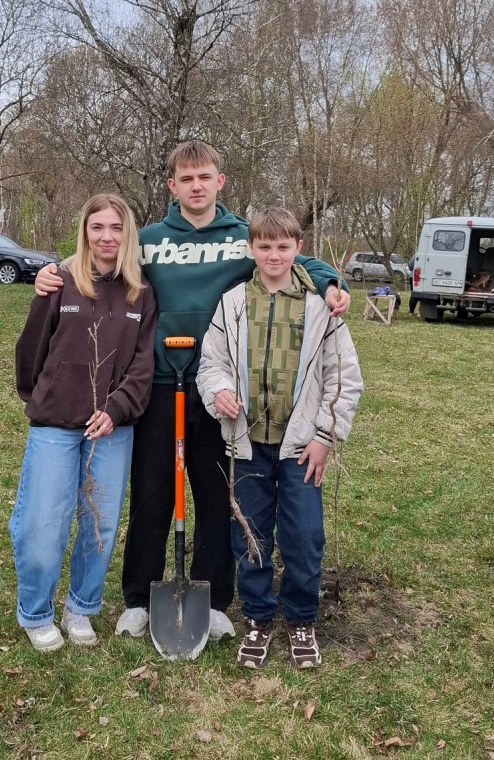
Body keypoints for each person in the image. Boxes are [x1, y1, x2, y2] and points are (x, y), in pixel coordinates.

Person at [34, 142, 350, 643]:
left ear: (219, 181)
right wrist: (52, 269)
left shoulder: (241, 238)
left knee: (215, 493)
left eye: (205, 177)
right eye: (187, 178)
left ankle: (215, 597)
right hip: (160, 383)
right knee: (153, 493)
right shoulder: (153, 240)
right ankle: (139, 596)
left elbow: (289, 255)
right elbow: (101, 251)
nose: (196, 186)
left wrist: (331, 283)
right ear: (172, 186)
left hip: (222, 389)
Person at [196, 207, 363, 668]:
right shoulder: (232, 304)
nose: (273, 255)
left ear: (298, 249)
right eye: (264, 246)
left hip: (301, 446)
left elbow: (343, 378)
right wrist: (220, 392)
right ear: (251, 249)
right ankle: (257, 616)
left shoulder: (320, 307)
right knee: (249, 535)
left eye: (283, 247)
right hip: (247, 443)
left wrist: (325, 437)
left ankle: (302, 618)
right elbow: (210, 364)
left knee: (304, 535)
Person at [10, 194, 156, 651]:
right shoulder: (60, 282)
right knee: (42, 522)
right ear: (86, 232)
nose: (107, 237)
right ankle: (36, 611)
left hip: (111, 429)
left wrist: (115, 410)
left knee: (100, 524)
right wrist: (42, 396)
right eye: (98, 228)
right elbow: (32, 346)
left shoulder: (142, 293)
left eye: (116, 228)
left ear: (127, 233)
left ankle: (81, 607)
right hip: (56, 423)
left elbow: (142, 366)